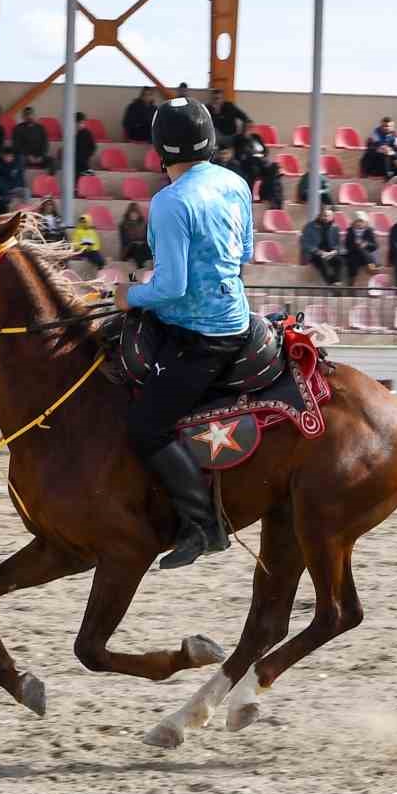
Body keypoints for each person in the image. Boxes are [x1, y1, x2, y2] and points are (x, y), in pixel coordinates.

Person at [113, 96, 253, 570]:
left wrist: (128, 295)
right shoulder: (235, 183)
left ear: (160, 149)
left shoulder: (170, 202)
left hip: (202, 336)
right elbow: (244, 254)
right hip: (237, 316)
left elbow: (172, 287)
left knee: (146, 427)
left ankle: (204, 525)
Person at [301, 205, 342, 285]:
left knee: (339, 261)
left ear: (332, 216)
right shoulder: (310, 226)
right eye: (324, 215)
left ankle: (336, 281)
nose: (326, 218)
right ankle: (331, 283)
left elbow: (339, 244)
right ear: (319, 215)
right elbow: (305, 243)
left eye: (328, 216)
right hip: (315, 253)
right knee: (322, 262)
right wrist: (319, 252)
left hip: (330, 253)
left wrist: (334, 252)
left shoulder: (335, 227)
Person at [10, 106, 52, 173]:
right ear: (23, 117)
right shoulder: (18, 128)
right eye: (27, 114)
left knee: (52, 161)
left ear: (34, 115)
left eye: (31, 114)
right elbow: (16, 146)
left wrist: (41, 155)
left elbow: (45, 144)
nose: (29, 116)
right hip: (25, 157)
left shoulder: (41, 128)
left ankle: (47, 179)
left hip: (39, 157)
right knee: (19, 159)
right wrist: (28, 155)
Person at [344, 211, 380, 284]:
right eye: (357, 221)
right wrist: (356, 245)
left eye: (361, 221)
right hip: (354, 255)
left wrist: (366, 244)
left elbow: (375, 246)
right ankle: (372, 267)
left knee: (362, 250)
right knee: (356, 255)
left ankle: (352, 281)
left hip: (365, 257)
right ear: (354, 222)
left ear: (365, 222)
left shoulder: (369, 231)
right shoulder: (350, 231)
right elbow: (347, 245)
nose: (359, 223)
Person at [119, 202, 152, 270]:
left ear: (138, 214)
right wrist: (135, 241)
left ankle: (147, 267)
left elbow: (147, 239)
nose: (134, 215)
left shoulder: (144, 224)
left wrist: (141, 242)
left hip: (142, 247)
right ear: (128, 214)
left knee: (145, 247)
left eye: (135, 213)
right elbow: (124, 241)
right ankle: (138, 270)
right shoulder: (123, 225)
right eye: (132, 213)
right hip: (129, 248)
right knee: (136, 248)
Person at [73, 112, 97, 177]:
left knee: (91, 175)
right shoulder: (70, 133)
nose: (81, 125)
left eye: (83, 123)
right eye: (79, 123)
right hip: (73, 163)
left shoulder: (87, 133)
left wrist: (87, 155)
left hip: (83, 162)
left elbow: (93, 147)